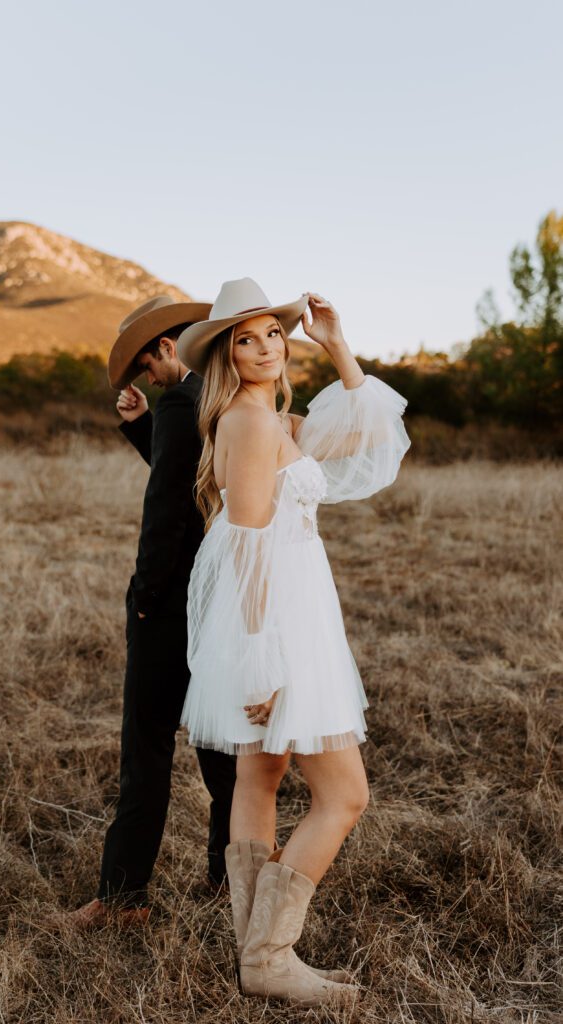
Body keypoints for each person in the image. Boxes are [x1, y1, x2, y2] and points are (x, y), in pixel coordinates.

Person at [177, 279, 410, 1006]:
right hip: (275, 624)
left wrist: (336, 344)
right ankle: (271, 956)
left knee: (262, 775)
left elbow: (371, 435)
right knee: (344, 795)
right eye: (245, 339)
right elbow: (243, 548)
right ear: (225, 355)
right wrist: (259, 659)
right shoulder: (247, 426)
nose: (264, 348)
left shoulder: (278, 420)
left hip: (296, 610)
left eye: (273, 334)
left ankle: (256, 955)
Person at [65, 296, 237, 929]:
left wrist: (143, 599)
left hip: (172, 607)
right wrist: (145, 428)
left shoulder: (178, 402)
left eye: (147, 367)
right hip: (221, 601)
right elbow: (193, 482)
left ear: (167, 348)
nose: (147, 381)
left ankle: (121, 898)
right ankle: (230, 881)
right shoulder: (217, 399)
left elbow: (166, 516)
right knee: (222, 752)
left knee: (146, 748)